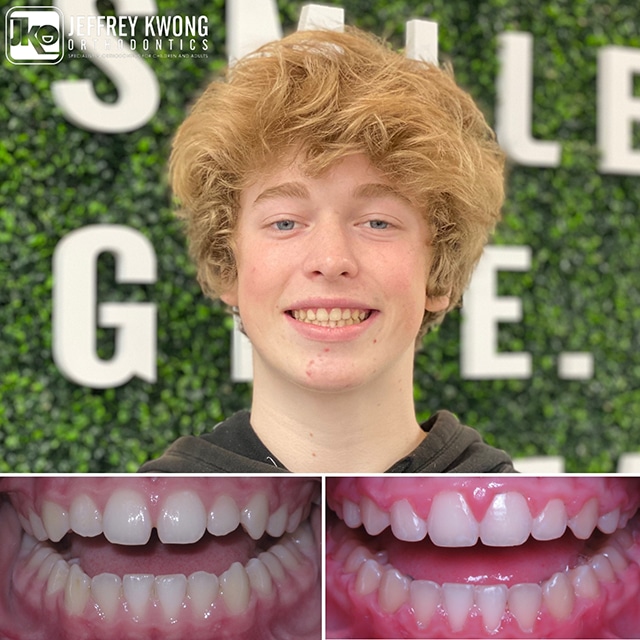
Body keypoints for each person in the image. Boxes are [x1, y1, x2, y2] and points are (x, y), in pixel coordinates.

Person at [140, 26, 515, 474]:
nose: (331, 261)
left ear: (439, 272)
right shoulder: (144, 522)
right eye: (285, 222)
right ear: (228, 267)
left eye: (377, 222)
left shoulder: (521, 516)